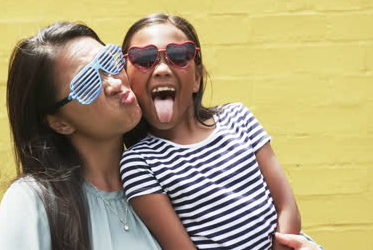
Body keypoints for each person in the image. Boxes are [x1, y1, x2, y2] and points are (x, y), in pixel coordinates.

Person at [120, 13, 303, 250]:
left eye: (179, 55)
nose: (162, 69)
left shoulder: (238, 119)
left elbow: (287, 207)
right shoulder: (139, 163)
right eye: (144, 58)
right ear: (128, 82)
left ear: (196, 78)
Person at [0, 22, 161, 250]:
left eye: (109, 62)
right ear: (60, 123)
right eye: (88, 82)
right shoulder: (33, 201)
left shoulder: (162, 178)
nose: (115, 83)